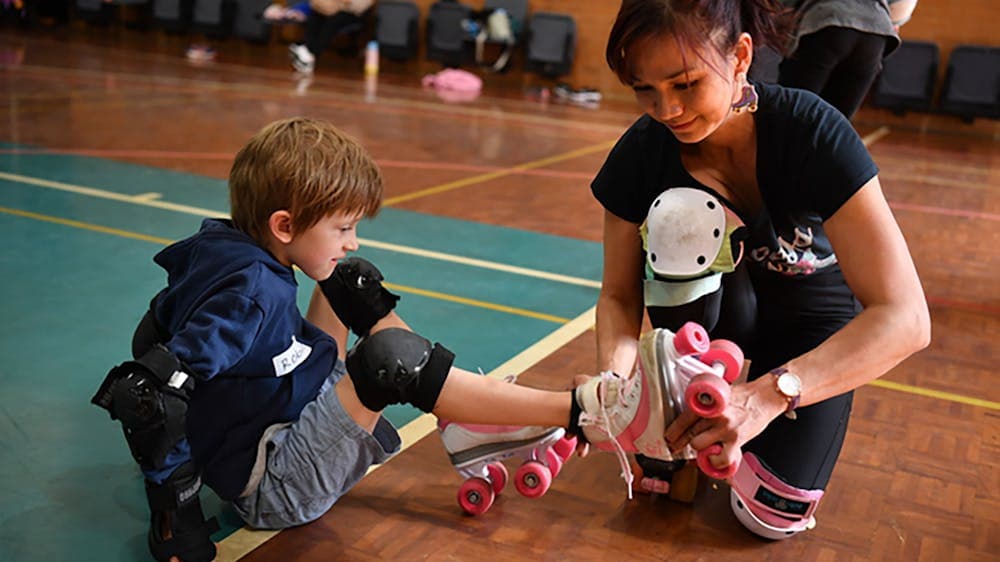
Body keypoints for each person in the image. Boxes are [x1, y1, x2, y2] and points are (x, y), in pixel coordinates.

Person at [91, 116, 704, 562]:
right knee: (390, 364)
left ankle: (472, 416)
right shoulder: (250, 295)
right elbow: (153, 395)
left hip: (284, 402)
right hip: (275, 483)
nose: (353, 236)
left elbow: (155, 329)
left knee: (348, 279)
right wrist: (178, 519)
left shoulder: (232, 250)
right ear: (283, 225)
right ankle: (588, 411)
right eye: (344, 226)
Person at [592, 0, 930, 540]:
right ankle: (684, 395)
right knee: (679, 215)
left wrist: (770, 395)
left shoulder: (813, 130)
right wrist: (617, 383)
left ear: (741, 54)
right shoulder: (642, 153)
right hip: (716, 318)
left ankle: (727, 417)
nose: (666, 110)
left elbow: (908, 317)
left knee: (771, 514)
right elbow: (617, 296)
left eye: (684, 84)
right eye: (645, 89)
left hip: (810, 322)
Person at [777, 0, 919, 119]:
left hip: (827, 20)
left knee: (792, 111)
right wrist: (896, 19)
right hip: (875, 31)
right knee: (837, 124)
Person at [288, 0, 374, 74]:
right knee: (315, 16)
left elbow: (362, 5)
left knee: (335, 20)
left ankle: (310, 54)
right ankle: (308, 52)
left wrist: (345, 3)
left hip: (351, 13)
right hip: (330, 9)